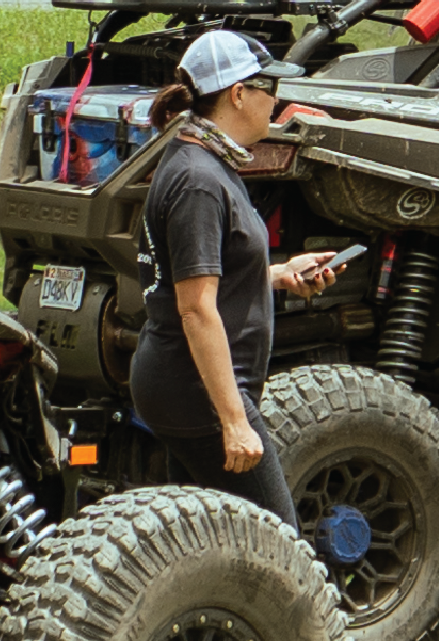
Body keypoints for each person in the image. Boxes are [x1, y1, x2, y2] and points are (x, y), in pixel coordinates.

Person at [122, 28, 350, 519]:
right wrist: (233, 421)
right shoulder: (199, 181)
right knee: (277, 543)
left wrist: (280, 274)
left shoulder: (203, 161)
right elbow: (196, 308)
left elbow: (200, 277)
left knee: (210, 543)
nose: (277, 99)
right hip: (197, 392)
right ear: (238, 93)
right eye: (269, 86)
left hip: (183, 385)